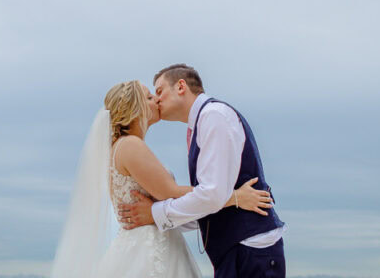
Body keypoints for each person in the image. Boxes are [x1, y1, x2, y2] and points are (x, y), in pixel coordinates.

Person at [49, 79, 273, 278]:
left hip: (150, 242)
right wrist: (234, 197)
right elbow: (171, 193)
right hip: (148, 250)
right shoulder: (130, 145)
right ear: (135, 109)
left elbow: (169, 200)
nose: (156, 100)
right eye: (149, 97)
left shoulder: (123, 147)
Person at [119, 64, 287, 278]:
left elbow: (211, 196)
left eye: (159, 91)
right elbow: (209, 204)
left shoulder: (214, 116)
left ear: (181, 86)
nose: (157, 99)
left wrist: (155, 213)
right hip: (236, 250)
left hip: (251, 249)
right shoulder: (200, 124)